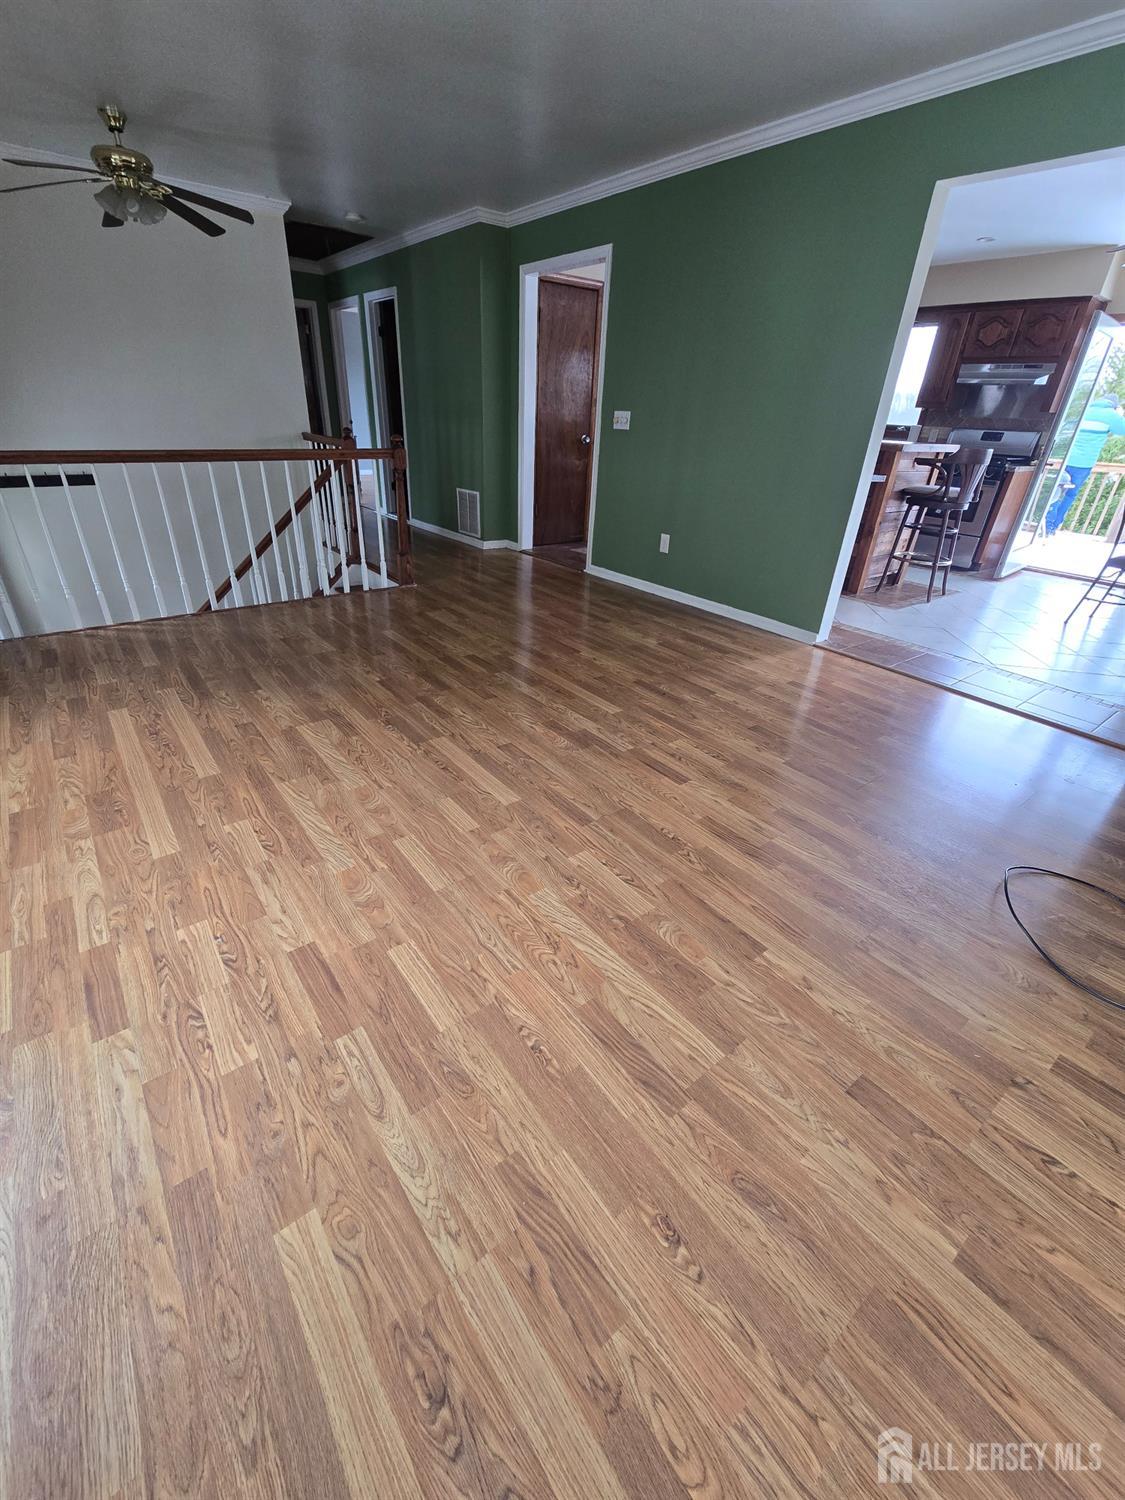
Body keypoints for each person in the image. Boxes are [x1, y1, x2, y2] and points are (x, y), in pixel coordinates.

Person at [1044, 392, 1125, 536]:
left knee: (1056, 490)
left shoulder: (1085, 410)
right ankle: (1052, 526)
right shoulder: (1111, 415)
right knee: (1069, 494)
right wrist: (1120, 414)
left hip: (1064, 458)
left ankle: (1046, 523)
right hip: (1083, 463)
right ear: (1114, 406)